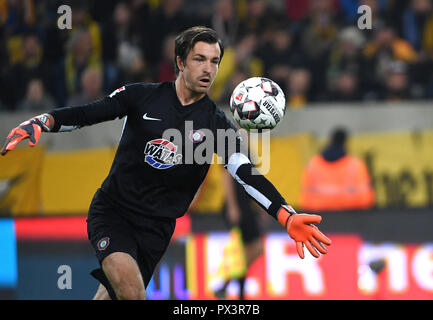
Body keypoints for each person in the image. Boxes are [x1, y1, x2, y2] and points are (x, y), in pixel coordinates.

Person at [1, 26, 331, 300]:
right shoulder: (141, 96)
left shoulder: (216, 125)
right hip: (114, 212)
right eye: (200, 59)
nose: (208, 69)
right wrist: (44, 120)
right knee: (132, 292)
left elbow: (247, 175)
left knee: (112, 296)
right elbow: (88, 114)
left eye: (215, 61)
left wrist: (286, 215)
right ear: (180, 62)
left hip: (156, 230)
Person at [214, 169, 264, 300]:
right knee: (250, 250)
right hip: (239, 207)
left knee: (250, 252)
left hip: (246, 207)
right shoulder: (232, 149)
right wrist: (232, 206)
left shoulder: (246, 150)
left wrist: (260, 205)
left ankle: (225, 285)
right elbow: (226, 174)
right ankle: (236, 292)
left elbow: (251, 181)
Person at [299, 127, 375, 212]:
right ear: (346, 142)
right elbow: (366, 199)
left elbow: (305, 199)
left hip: (319, 217)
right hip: (350, 217)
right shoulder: (356, 165)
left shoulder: (313, 164)